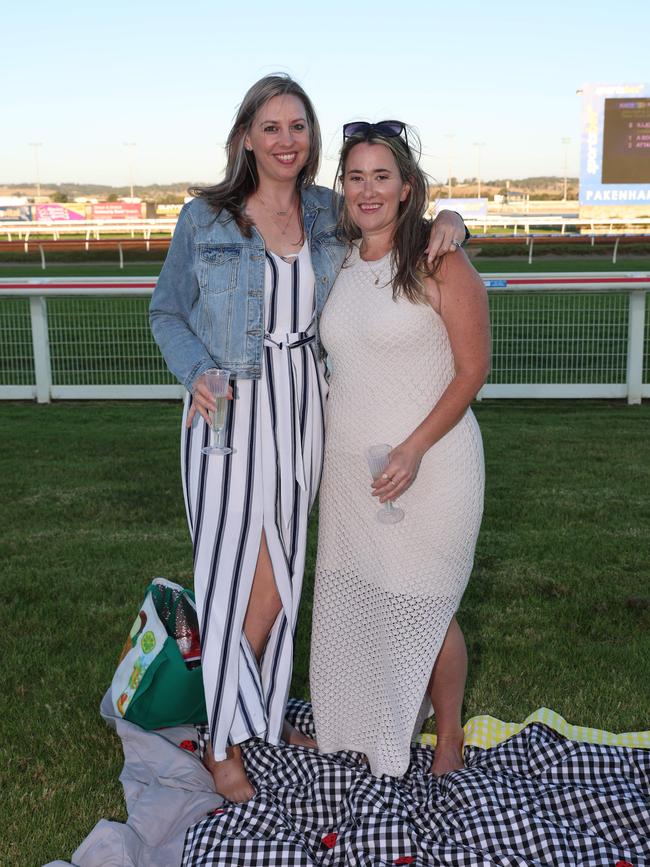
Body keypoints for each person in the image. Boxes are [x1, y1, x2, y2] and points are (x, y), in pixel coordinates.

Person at [149, 76, 467, 802]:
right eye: (271, 127)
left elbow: (395, 211)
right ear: (246, 138)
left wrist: (453, 215)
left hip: (302, 408)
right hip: (228, 410)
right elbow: (166, 311)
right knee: (235, 581)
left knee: (280, 581)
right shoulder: (206, 218)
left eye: (298, 127)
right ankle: (221, 740)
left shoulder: (328, 211)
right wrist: (196, 368)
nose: (286, 140)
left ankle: (252, 714)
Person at [310, 120, 490, 779]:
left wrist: (413, 449)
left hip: (431, 464)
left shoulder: (438, 258)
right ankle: (370, 729)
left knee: (422, 598)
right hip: (353, 471)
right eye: (355, 176)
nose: (367, 189)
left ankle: (447, 739)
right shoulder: (337, 259)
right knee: (365, 597)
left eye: (381, 175)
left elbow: (472, 369)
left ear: (407, 187)